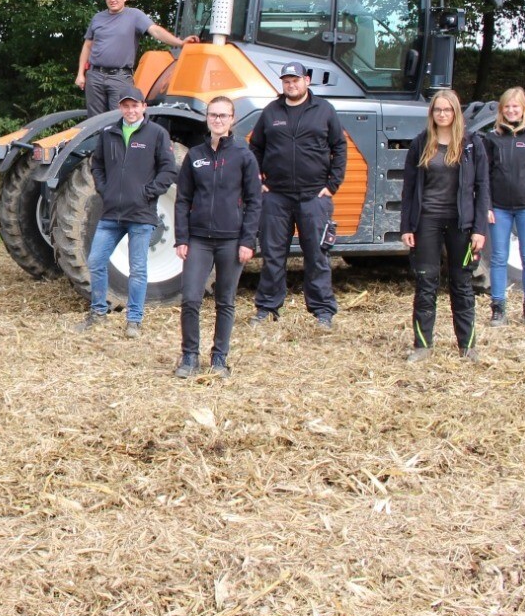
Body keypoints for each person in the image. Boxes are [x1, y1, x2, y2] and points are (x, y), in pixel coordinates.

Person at [250, 60, 348, 330]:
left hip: (313, 197)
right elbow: (255, 147)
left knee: (317, 255)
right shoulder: (271, 112)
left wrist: (333, 184)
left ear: (306, 81)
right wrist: (259, 179)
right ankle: (267, 307)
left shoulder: (324, 110)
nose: (291, 85)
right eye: (286, 81)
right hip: (277, 196)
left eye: (295, 80)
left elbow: (339, 147)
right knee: (273, 254)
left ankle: (322, 311)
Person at [79, 86, 179, 337]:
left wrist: (149, 192)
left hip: (140, 214)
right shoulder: (109, 133)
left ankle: (134, 319)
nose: (130, 110)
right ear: (120, 108)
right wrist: (105, 189)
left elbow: (168, 169)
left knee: (138, 269)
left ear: (144, 107)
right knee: (96, 261)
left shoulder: (157, 134)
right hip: (111, 212)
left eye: (135, 105)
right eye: (126, 106)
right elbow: (97, 164)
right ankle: (98, 311)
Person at [173, 97, 261, 378]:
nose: (218, 120)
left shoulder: (243, 156)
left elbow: (254, 201)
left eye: (223, 115)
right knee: (190, 299)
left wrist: (248, 241)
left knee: (226, 301)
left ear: (232, 119)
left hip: (231, 240)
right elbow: (182, 198)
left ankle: (219, 358)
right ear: (207, 118)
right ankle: (189, 357)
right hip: (198, 239)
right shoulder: (195, 155)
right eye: (213, 115)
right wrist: (182, 237)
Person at [401, 89, 491, 363]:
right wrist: (406, 226)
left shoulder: (472, 145)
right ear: (432, 114)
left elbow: (482, 187)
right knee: (426, 282)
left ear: (455, 113)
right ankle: (422, 346)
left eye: (447, 110)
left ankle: (467, 346)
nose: (442, 114)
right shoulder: (420, 143)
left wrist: (479, 229)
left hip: (460, 223)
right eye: (438, 110)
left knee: (462, 284)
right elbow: (408, 188)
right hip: (427, 220)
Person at [76, 0, 198, 119]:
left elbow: (156, 31)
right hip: (95, 76)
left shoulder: (134, 15)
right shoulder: (98, 18)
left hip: (119, 76)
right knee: (94, 121)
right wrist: (80, 74)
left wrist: (180, 42)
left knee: (120, 118)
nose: (112, 0)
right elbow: (87, 46)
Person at [483, 87, 525, 329]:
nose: (511, 110)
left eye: (516, 106)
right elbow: (485, 176)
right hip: (499, 208)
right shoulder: (492, 138)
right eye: (507, 107)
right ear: (501, 110)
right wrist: (487, 205)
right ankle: (498, 308)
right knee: (499, 257)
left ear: (524, 109)